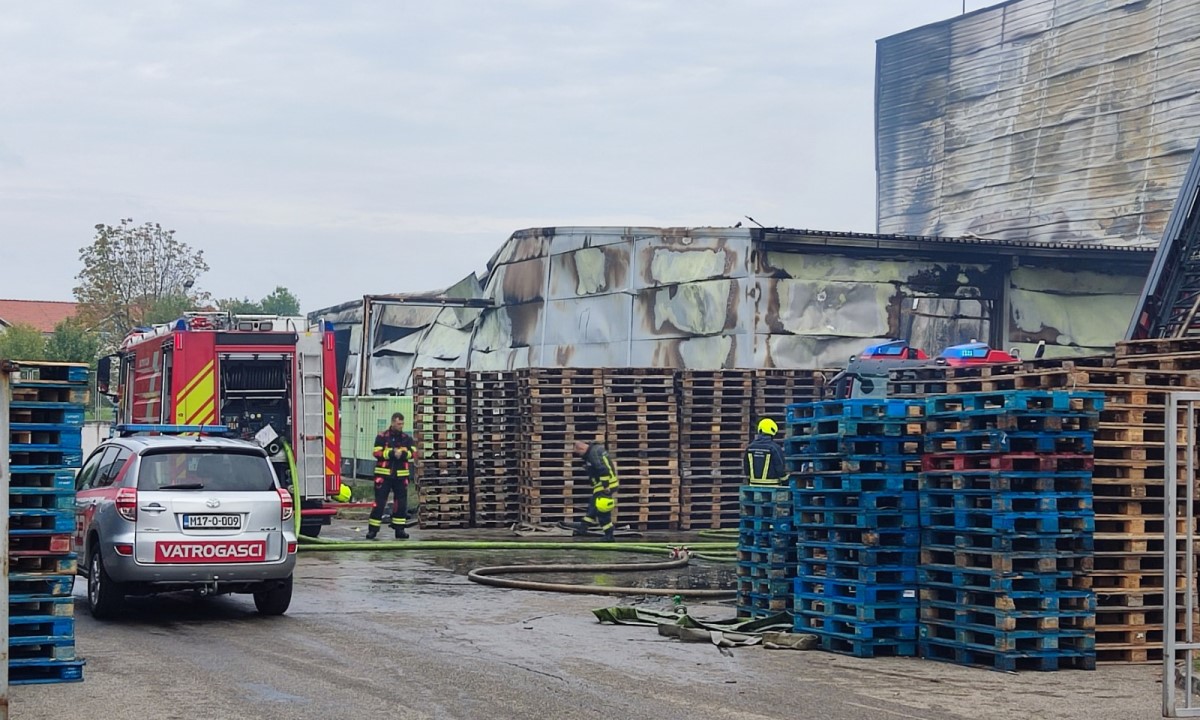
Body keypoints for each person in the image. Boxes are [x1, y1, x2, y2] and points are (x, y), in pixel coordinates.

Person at [368, 412, 418, 540]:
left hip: (401, 476)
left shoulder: (407, 438)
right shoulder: (382, 437)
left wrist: (402, 454)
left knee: (401, 504)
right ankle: (373, 530)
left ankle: (399, 530)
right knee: (379, 503)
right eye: (398, 423)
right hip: (383, 476)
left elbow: (414, 453)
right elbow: (376, 452)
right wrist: (391, 453)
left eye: (402, 424)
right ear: (392, 423)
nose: (401, 426)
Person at [573, 439, 619, 541]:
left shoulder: (593, 454)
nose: (579, 456)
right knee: (593, 507)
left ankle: (609, 535)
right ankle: (583, 528)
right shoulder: (595, 450)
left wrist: (605, 486)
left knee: (602, 511)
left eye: (578, 453)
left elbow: (603, 469)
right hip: (603, 485)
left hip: (605, 486)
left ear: (582, 448)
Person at [745, 417, 787, 485]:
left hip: (754, 484)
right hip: (772, 485)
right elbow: (779, 466)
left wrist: (749, 480)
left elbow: (746, 466)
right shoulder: (774, 448)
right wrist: (785, 481)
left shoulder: (750, 447)